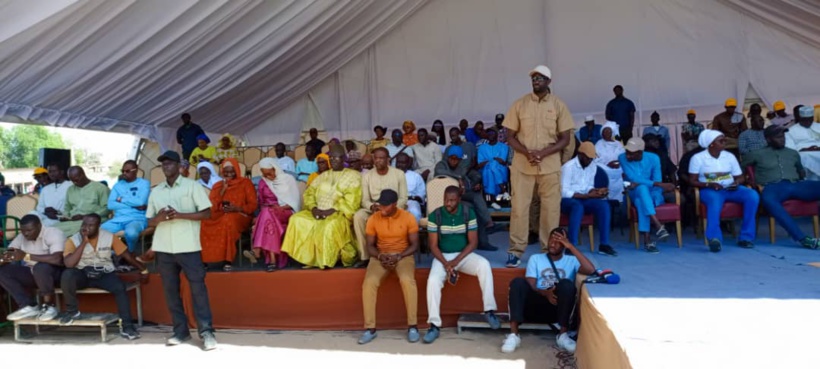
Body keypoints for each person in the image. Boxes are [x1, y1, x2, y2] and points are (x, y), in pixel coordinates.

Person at [143, 150, 216, 350]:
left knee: (198, 290)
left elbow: (207, 213)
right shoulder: (157, 191)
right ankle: (180, 331)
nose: (166, 166)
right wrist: (159, 219)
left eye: (169, 163)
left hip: (188, 246)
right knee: (171, 292)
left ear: (180, 166)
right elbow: (149, 221)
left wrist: (180, 215)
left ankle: (207, 332)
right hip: (164, 248)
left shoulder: (192, 186)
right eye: (163, 164)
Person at [503, 65, 573, 267]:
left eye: (540, 78)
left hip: (549, 164)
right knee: (519, 209)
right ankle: (516, 251)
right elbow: (510, 136)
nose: (536, 80)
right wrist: (527, 152)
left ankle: (549, 250)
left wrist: (543, 153)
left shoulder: (559, 105)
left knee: (551, 210)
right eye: (534, 78)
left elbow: (565, 138)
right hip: (522, 164)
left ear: (549, 81)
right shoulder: (520, 104)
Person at [424, 186, 500, 344]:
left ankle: (489, 310)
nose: (448, 203)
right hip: (443, 256)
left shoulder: (468, 213)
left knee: (484, 265)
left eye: (452, 200)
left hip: (464, 255)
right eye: (446, 200)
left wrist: (455, 262)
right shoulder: (435, 215)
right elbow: (433, 246)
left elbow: (473, 243)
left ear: (459, 200)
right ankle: (434, 325)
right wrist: (447, 264)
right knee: (433, 281)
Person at [501, 227, 595, 354]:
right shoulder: (536, 258)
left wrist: (571, 247)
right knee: (517, 282)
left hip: (557, 309)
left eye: (558, 242)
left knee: (567, 284)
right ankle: (514, 335)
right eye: (551, 240)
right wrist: (546, 293)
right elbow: (531, 283)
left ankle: (562, 335)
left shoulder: (571, 261)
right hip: (536, 303)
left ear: (564, 244)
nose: (552, 244)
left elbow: (590, 270)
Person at [60, 214, 146, 339]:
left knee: (120, 287)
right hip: (82, 273)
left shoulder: (109, 236)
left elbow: (127, 255)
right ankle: (72, 312)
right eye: (84, 224)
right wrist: (84, 242)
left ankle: (127, 326)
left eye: (91, 225)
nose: (86, 228)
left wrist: (143, 269)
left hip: (104, 273)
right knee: (67, 275)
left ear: (98, 226)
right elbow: (69, 264)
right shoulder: (73, 240)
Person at [281, 146, 361, 268]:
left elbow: (353, 201)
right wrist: (313, 208)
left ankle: (325, 260)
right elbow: (309, 193)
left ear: (343, 158)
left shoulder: (354, 176)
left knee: (329, 226)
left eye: (336, 157)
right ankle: (306, 258)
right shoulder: (323, 176)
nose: (333, 160)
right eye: (331, 157)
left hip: (339, 213)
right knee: (296, 219)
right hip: (318, 211)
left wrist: (332, 210)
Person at [357, 189, 419, 344]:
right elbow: (370, 245)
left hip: (403, 255)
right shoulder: (373, 219)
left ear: (395, 204)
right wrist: (380, 256)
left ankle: (412, 326)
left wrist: (399, 256)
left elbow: (414, 245)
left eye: (386, 205)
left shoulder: (408, 217)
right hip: (381, 256)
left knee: (407, 280)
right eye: (380, 204)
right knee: (369, 283)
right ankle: (370, 329)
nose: (382, 208)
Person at [743, 125, 820, 249]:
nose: (782, 139)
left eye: (783, 136)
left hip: (795, 184)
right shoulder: (756, 154)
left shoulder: (793, 153)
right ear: (768, 139)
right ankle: (803, 238)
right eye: (778, 137)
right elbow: (739, 169)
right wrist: (750, 180)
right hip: (773, 187)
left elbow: (801, 172)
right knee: (768, 199)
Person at [688, 130, 759, 252]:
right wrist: (709, 184)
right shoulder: (698, 158)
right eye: (721, 141)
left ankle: (746, 237)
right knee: (714, 201)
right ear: (711, 144)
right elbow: (692, 181)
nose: (725, 142)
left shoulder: (729, 156)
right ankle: (714, 239)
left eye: (724, 140)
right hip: (710, 190)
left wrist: (736, 183)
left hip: (730, 188)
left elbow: (740, 177)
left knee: (752, 195)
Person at [0, 215, 64, 322]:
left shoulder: (53, 233)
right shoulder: (21, 237)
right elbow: (8, 255)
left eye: (29, 230)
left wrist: (26, 256)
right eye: (23, 230)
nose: (26, 233)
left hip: (56, 275)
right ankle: (28, 305)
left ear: (39, 226)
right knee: (3, 271)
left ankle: (49, 306)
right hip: (34, 274)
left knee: (41, 267)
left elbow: (57, 259)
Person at [435, 145, 498, 251]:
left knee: (476, 206)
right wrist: (458, 177)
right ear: (448, 157)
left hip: (461, 195)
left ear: (460, 159)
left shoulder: (461, 167)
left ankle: (483, 241)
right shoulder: (442, 164)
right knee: (475, 204)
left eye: (456, 159)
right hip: (445, 198)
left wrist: (474, 185)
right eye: (452, 158)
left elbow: (471, 178)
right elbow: (439, 172)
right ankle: (489, 224)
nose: (453, 161)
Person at [200, 158, 258, 271]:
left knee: (228, 220)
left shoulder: (245, 183)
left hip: (241, 214)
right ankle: (205, 259)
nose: (229, 174)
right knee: (204, 221)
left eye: (232, 171)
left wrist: (237, 208)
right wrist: (223, 189)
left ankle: (227, 260)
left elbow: (253, 205)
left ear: (237, 170)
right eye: (226, 171)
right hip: (221, 213)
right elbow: (213, 205)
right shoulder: (218, 185)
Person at [245, 158, 300, 272]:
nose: (268, 177)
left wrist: (280, 208)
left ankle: (257, 250)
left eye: (270, 173)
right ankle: (272, 260)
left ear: (276, 169)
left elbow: (295, 202)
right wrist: (264, 213)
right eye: (265, 174)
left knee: (267, 213)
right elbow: (261, 203)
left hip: (285, 211)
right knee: (268, 217)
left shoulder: (288, 179)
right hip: (268, 213)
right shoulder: (263, 182)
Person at [620, 138, 674, 253]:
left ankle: (647, 240)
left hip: (653, 192)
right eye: (627, 152)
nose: (628, 156)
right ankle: (657, 224)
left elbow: (657, 179)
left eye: (631, 153)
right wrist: (656, 184)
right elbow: (633, 178)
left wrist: (651, 184)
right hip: (634, 192)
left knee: (641, 201)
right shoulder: (622, 158)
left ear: (640, 152)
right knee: (642, 189)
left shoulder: (654, 158)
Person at [354, 148, 408, 264]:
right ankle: (365, 256)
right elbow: (365, 200)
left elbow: (403, 198)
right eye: (376, 158)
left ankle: (396, 253)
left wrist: (390, 208)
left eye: (381, 158)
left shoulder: (399, 174)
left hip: (393, 207)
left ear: (388, 160)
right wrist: (372, 207)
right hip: (374, 207)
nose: (378, 161)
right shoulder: (367, 176)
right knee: (358, 216)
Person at [560, 142, 614, 256]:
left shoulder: (592, 166)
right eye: (588, 158)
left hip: (584, 198)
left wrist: (596, 191)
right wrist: (587, 196)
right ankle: (571, 246)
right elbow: (563, 192)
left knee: (604, 205)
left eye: (591, 158)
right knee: (577, 207)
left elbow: (588, 185)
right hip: (567, 200)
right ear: (580, 154)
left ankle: (604, 245)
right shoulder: (568, 167)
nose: (590, 161)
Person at [101, 160, 150, 252]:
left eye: (127, 171)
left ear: (136, 170)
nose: (124, 173)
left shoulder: (144, 183)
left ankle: (130, 253)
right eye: (122, 171)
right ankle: (117, 253)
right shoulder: (117, 186)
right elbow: (110, 205)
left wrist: (121, 199)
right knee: (99, 231)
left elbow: (140, 202)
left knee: (131, 233)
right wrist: (133, 205)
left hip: (136, 219)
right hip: (118, 219)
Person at [55, 166, 110, 236]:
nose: (74, 183)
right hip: (72, 221)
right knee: (51, 229)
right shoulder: (70, 189)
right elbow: (67, 208)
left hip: (91, 222)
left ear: (82, 175)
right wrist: (65, 217)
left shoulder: (100, 188)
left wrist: (85, 216)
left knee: (62, 234)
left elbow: (107, 209)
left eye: (76, 180)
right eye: (72, 181)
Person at [785, 105, 820, 180]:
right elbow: (790, 148)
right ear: (800, 118)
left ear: (812, 118)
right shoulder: (791, 131)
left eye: (810, 119)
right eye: (804, 120)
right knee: (803, 157)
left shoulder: (818, 126)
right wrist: (807, 149)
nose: (807, 122)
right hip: (804, 153)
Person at [594, 121, 625, 202]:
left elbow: (623, 156)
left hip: (618, 168)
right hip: (605, 168)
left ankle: (619, 200)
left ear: (612, 133)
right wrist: (608, 164)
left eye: (609, 131)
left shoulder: (618, 144)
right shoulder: (599, 144)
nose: (607, 133)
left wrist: (619, 162)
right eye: (605, 131)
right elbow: (595, 159)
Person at [477, 127, 510, 204]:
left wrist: (489, 161)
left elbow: (502, 161)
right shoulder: (482, 148)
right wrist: (494, 159)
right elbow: (480, 164)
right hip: (486, 171)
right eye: (488, 133)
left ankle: (492, 201)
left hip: (501, 170)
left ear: (497, 134)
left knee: (492, 166)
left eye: (492, 133)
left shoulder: (503, 146)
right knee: (490, 168)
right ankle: (504, 191)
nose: (490, 135)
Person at [395, 153, 424, 222]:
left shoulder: (416, 176)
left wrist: (411, 198)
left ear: (408, 164)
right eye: (398, 162)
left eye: (403, 163)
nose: (400, 165)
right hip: (394, 201)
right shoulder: (390, 174)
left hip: (411, 201)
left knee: (414, 212)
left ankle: (414, 228)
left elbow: (421, 194)